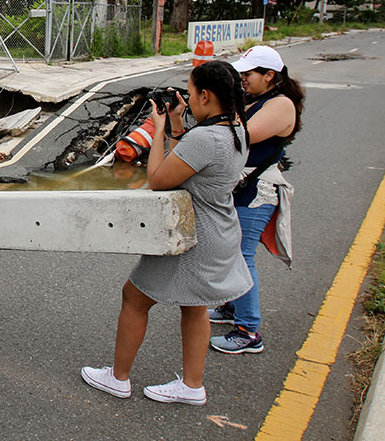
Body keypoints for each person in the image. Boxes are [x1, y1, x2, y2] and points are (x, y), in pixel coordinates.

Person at [81, 60, 252, 406]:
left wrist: (157, 129)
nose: (187, 101)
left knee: (134, 297)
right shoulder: (236, 131)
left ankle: (118, 378)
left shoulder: (206, 138)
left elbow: (159, 180)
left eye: (190, 95)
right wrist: (176, 124)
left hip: (191, 239)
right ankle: (192, 385)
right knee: (195, 306)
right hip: (217, 231)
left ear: (205, 95)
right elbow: (184, 166)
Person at [209, 45, 303, 354]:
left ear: (269, 75)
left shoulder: (281, 104)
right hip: (242, 190)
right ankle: (231, 307)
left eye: (248, 74)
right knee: (228, 251)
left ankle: (249, 330)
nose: (242, 79)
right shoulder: (259, 100)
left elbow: (241, 135)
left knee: (241, 257)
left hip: (257, 193)